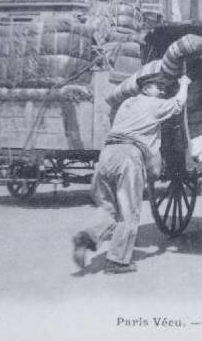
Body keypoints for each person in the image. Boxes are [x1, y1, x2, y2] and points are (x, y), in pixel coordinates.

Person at [72, 72, 191, 274]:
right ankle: (117, 261)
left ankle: (86, 237)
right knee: (129, 211)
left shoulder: (126, 104)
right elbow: (178, 104)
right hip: (128, 156)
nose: (161, 90)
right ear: (145, 89)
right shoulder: (152, 105)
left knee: (109, 207)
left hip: (107, 154)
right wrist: (184, 84)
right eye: (157, 87)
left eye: (162, 88)